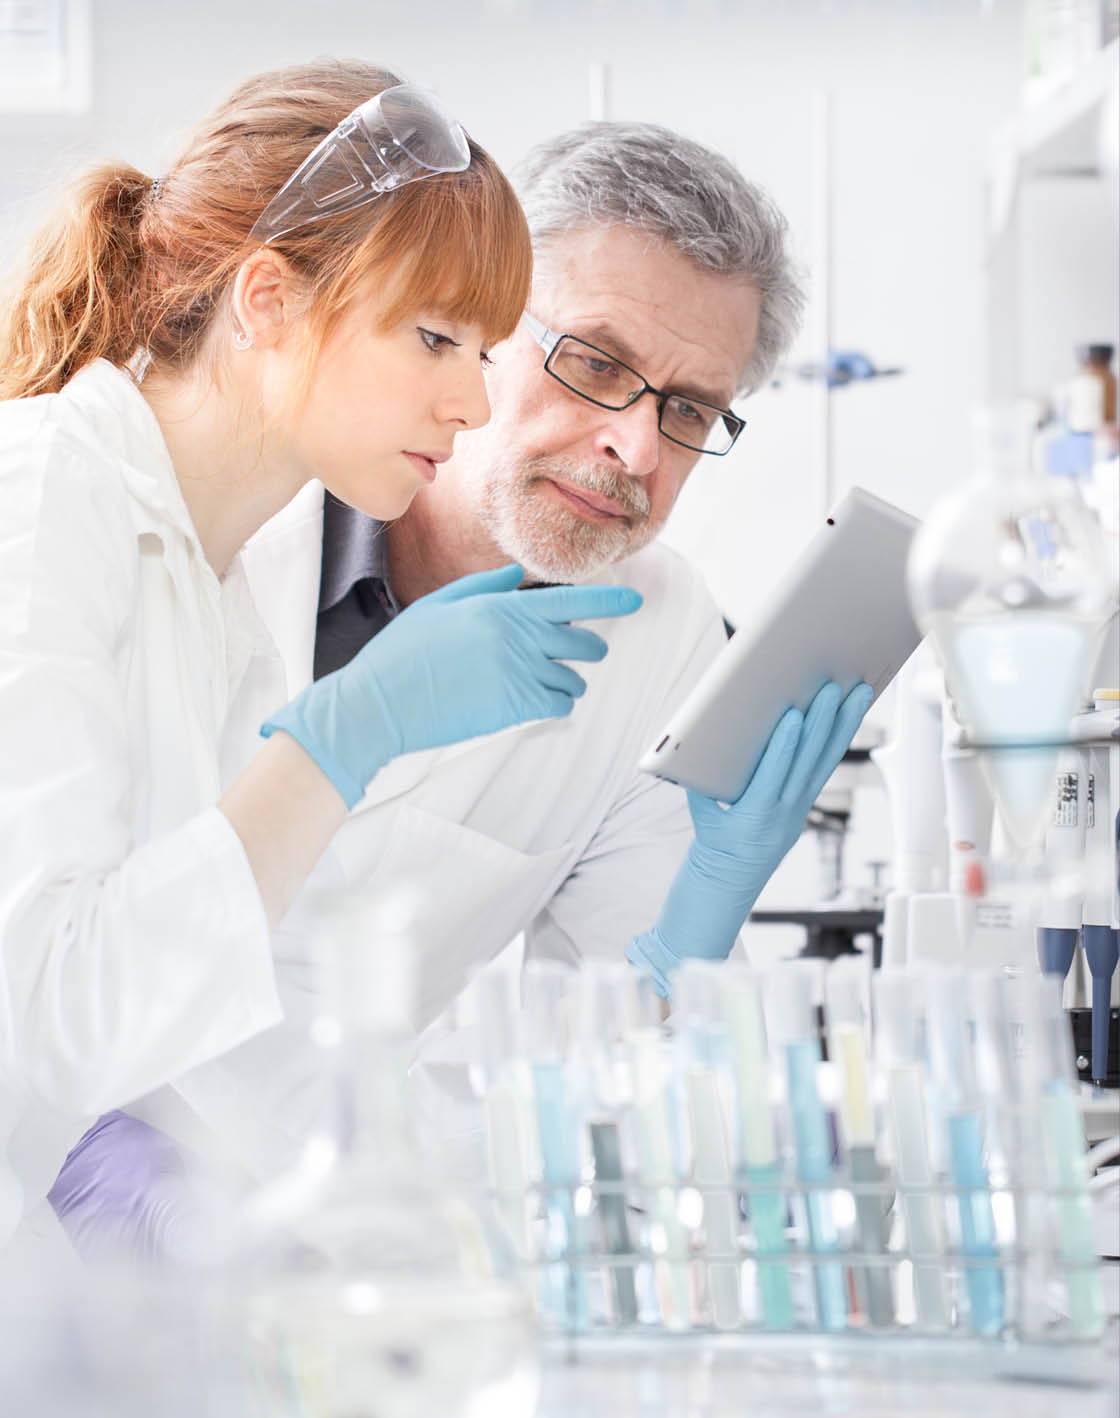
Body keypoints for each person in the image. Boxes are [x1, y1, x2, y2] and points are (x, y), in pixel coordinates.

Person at [48, 119, 873, 1259]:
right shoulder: (229, 515)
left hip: (351, 1233)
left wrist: (691, 932)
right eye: (594, 362)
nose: (636, 449)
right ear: (480, 324)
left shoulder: (661, 631)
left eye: (687, 409)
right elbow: (45, 938)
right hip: (73, 1177)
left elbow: (598, 1087)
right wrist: (84, 1141)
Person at [0, 60, 643, 1251]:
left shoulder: (218, 594)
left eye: (484, 351)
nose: (470, 403)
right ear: (267, 300)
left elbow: (176, 1017)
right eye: (435, 337)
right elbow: (53, 1009)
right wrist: (346, 733)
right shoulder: (39, 497)